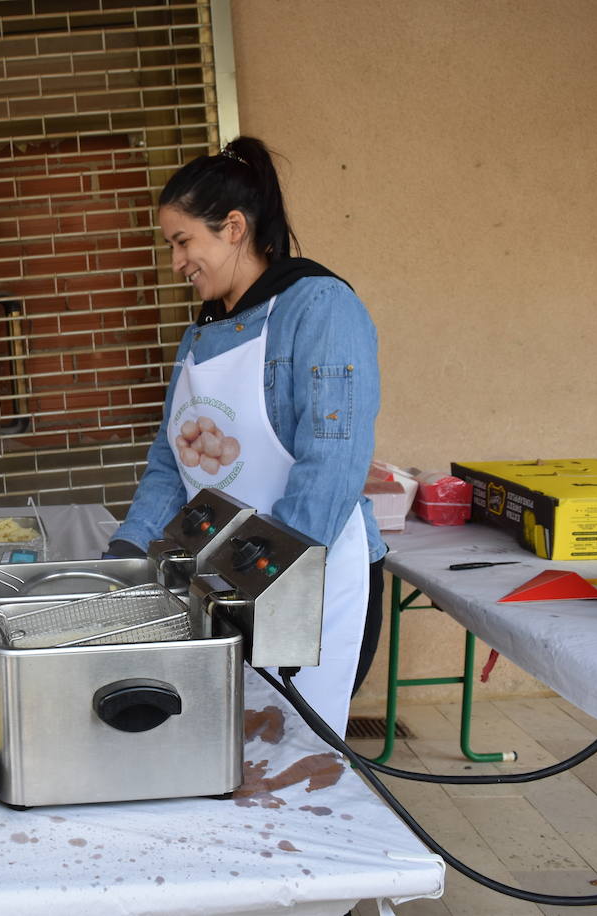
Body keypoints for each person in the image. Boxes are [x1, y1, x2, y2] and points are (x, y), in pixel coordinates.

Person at [108, 136, 384, 738]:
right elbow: (168, 463)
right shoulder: (201, 335)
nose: (176, 261)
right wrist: (125, 558)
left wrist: (250, 586)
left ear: (233, 228)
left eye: (183, 242)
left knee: (292, 755)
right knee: (225, 750)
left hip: (304, 583)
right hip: (223, 584)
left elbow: (331, 467)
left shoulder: (318, 308)